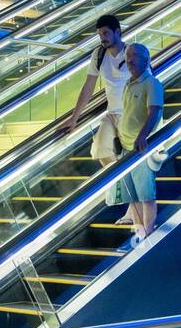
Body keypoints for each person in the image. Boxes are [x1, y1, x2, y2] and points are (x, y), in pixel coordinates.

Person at [55, 15, 135, 221]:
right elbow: (88, 87)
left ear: (118, 32)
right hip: (112, 113)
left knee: (132, 162)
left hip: (132, 114)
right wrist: (74, 118)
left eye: (106, 33)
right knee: (100, 149)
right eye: (100, 34)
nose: (102, 38)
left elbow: (147, 82)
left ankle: (133, 208)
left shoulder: (131, 53)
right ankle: (127, 191)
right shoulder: (99, 54)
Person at [111, 42, 164, 244]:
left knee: (145, 192)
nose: (130, 60)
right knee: (132, 193)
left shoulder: (151, 83)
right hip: (126, 146)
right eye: (128, 56)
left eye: (134, 56)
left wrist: (142, 136)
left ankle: (149, 231)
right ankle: (140, 230)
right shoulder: (128, 84)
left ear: (146, 59)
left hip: (141, 149)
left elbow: (155, 111)